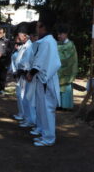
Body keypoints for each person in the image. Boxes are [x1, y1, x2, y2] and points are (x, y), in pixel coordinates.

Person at [26, 11, 61, 147]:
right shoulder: (45, 41)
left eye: (38, 25)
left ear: (43, 27)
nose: (36, 28)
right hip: (42, 79)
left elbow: (41, 61)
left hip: (46, 79)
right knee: (41, 108)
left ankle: (49, 138)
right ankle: (44, 133)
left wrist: (31, 72)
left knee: (47, 109)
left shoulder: (48, 41)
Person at [14, 22, 35, 128]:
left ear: (25, 35)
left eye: (20, 34)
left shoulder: (30, 46)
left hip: (26, 75)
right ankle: (24, 116)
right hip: (21, 74)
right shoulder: (24, 45)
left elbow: (27, 62)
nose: (18, 37)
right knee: (21, 95)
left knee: (26, 97)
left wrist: (24, 71)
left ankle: (29, 118)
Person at [57, 24, 78, 110]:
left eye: (61, 34)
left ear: (66, 34)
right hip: (58, 70)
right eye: (58, 34)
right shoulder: (57, 44)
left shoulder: (70, 45)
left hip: (67, 70)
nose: (58, 36)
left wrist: (56, 58)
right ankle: (59, 104)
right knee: (58, 88)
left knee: (66, 88)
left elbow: (67, 58)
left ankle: (66, 106)